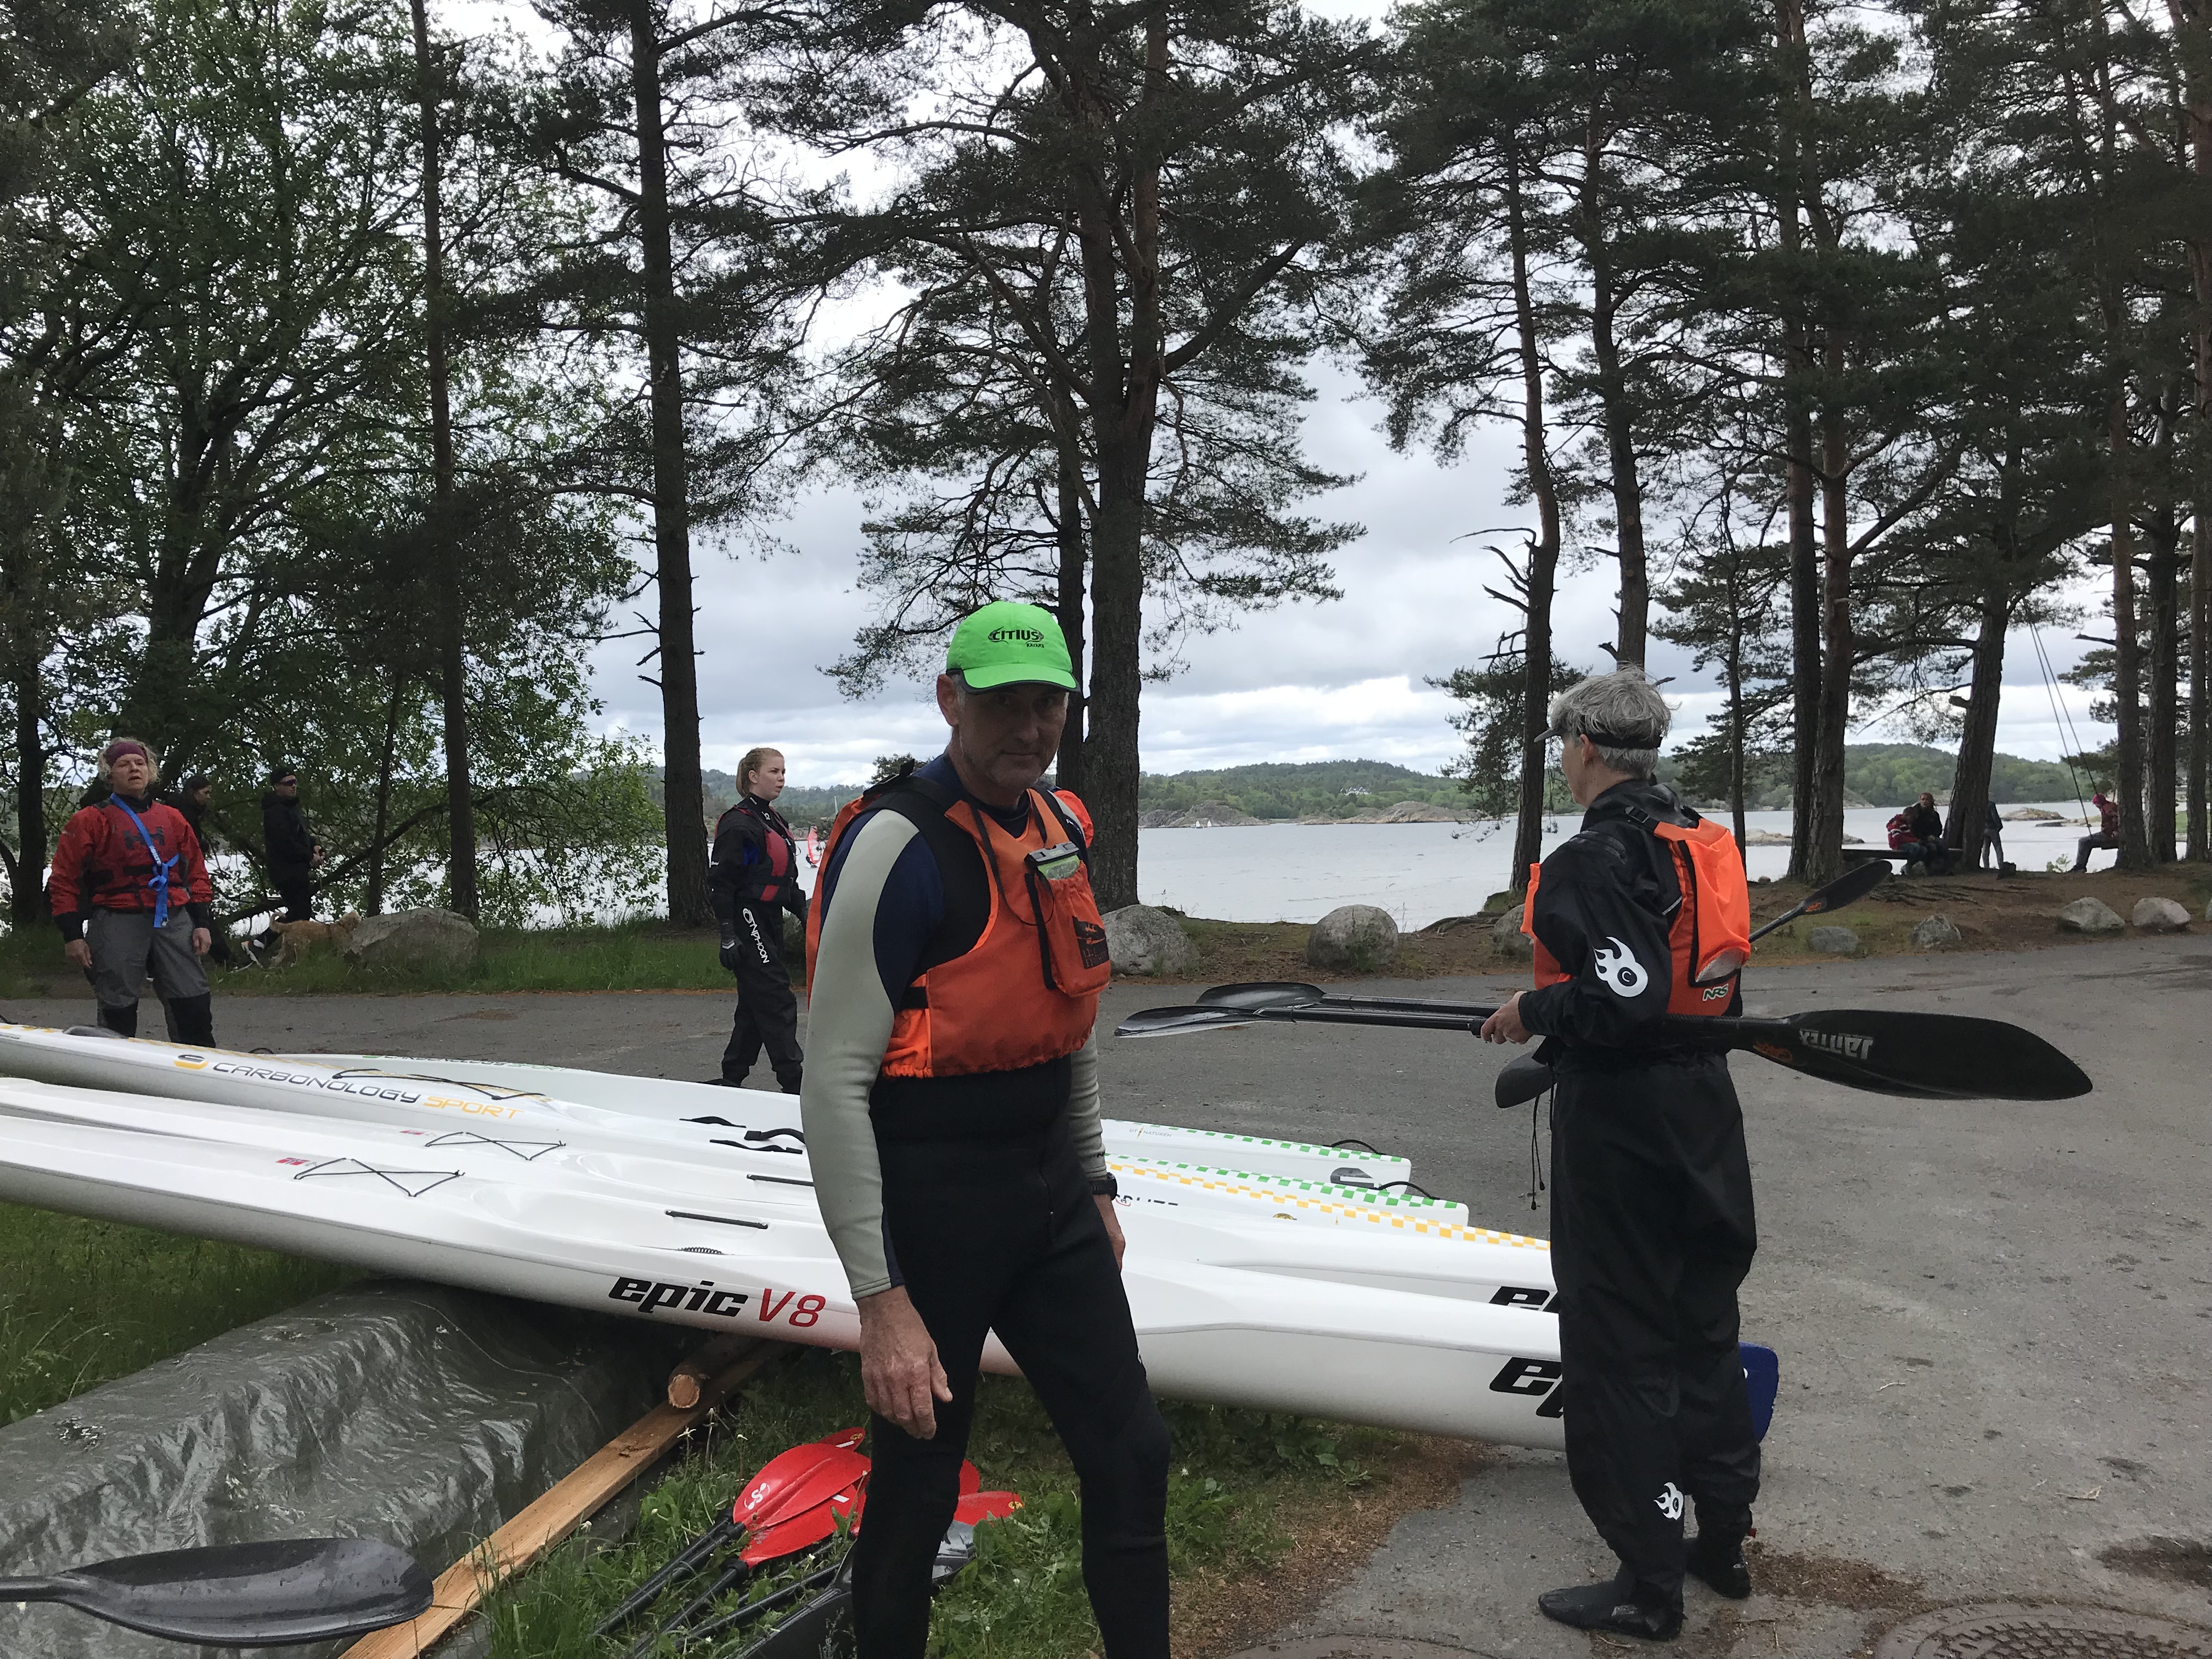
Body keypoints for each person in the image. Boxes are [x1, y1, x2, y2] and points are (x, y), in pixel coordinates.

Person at [802, 601, 1169, 1659]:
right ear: (949, 698)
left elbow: (1068, 1017)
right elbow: (831, 1084)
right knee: (918, 1485)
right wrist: (880, 1300)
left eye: (1046, 703)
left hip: (1050, 1194)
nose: (1028, 725)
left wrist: (1093, 1180)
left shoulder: (1056, 827)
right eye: (1004, 702)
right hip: (934, 1205)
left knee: (1133, 1450)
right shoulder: (897, 844)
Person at [1478, 668, 1759, 1643]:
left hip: (1626, 1124)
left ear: (1587, 748)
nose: (1565, 760)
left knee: (1621, 1345)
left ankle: (1648, 1582)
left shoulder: (1592, 857)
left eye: (1565, 745)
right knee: (1701, 1327)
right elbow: (1689, 986)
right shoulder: (1699, 840)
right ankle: (1721, 1539)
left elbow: (1623, 1000)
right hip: (1704, 1108)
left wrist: (1533, 1008)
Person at [49, 738, 217, 1045]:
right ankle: (116, 1063)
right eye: (124, 764)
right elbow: (63, 879)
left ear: (150, 771)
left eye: (140, 763)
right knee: (118, 1001)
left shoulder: (173, 818)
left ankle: (197, 1058)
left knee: (191, 996)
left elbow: (195, 872)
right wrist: (72, 935)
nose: (134, 769)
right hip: (117, 916)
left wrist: (202, 923)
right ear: (110, 774)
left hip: (172, 915)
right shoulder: (90, 820)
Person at [707, 746, 808, 1092]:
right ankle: (795, 1083)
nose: (782, 779)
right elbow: (721, 884)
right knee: (776, 997)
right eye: (774, 772)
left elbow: (784, 881)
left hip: (770, 917)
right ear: (753, 776)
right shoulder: (738, 824)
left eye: (783, 772)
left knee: (755, 1002)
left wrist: (805, 912)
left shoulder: (773, 821)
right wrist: (727, 934)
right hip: (746, 917)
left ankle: (731, 1077)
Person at [165, 774, 232, 967]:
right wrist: (201, 846)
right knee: (199, 912)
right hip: (180, 873)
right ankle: (225, 959)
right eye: (206, 793)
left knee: (196, 914)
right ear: (193, 793)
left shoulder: (187, 810)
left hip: (179, 871)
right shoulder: (183, 812)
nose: (208, 797)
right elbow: (187, 844)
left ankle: (223, 958)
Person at [261, 764, 322, 922]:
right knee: (299, 914)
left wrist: (314, 846)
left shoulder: (292, 807)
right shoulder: (275, 811)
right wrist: (309, 857)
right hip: (286, 871)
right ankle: (268, 936)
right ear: (277, 787)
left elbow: (301, 835)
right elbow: (284, 843)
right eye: (288, 783)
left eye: (295, 782)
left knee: (300, 913)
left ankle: (271, 935)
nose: (293, 786)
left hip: (298, 869)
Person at [2073, 789, 2121, 872]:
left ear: (2098, 803)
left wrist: (2113, 832)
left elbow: (2115, 820)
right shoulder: (2111, 806)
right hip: (2111, 833)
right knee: (2087, 840)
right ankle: (2081, 866)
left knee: (2083, 841)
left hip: (2110, 835)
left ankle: (2080, 866)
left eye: (2096, 804)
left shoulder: (2107, 809)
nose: (2096, 806)